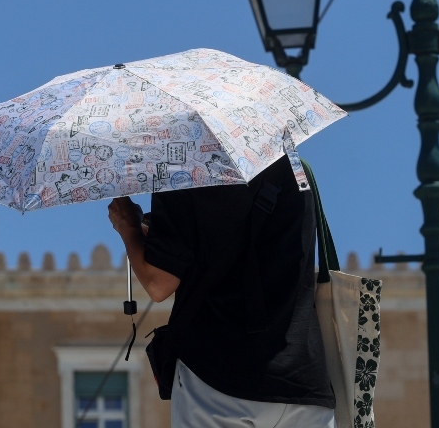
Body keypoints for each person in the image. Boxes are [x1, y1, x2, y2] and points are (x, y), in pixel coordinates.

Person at [108, 158, 335, 428]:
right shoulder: (295, 167)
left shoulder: (181, 165)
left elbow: (158, 283)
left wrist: (128, 226)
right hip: (304, 389)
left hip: (217, 381)